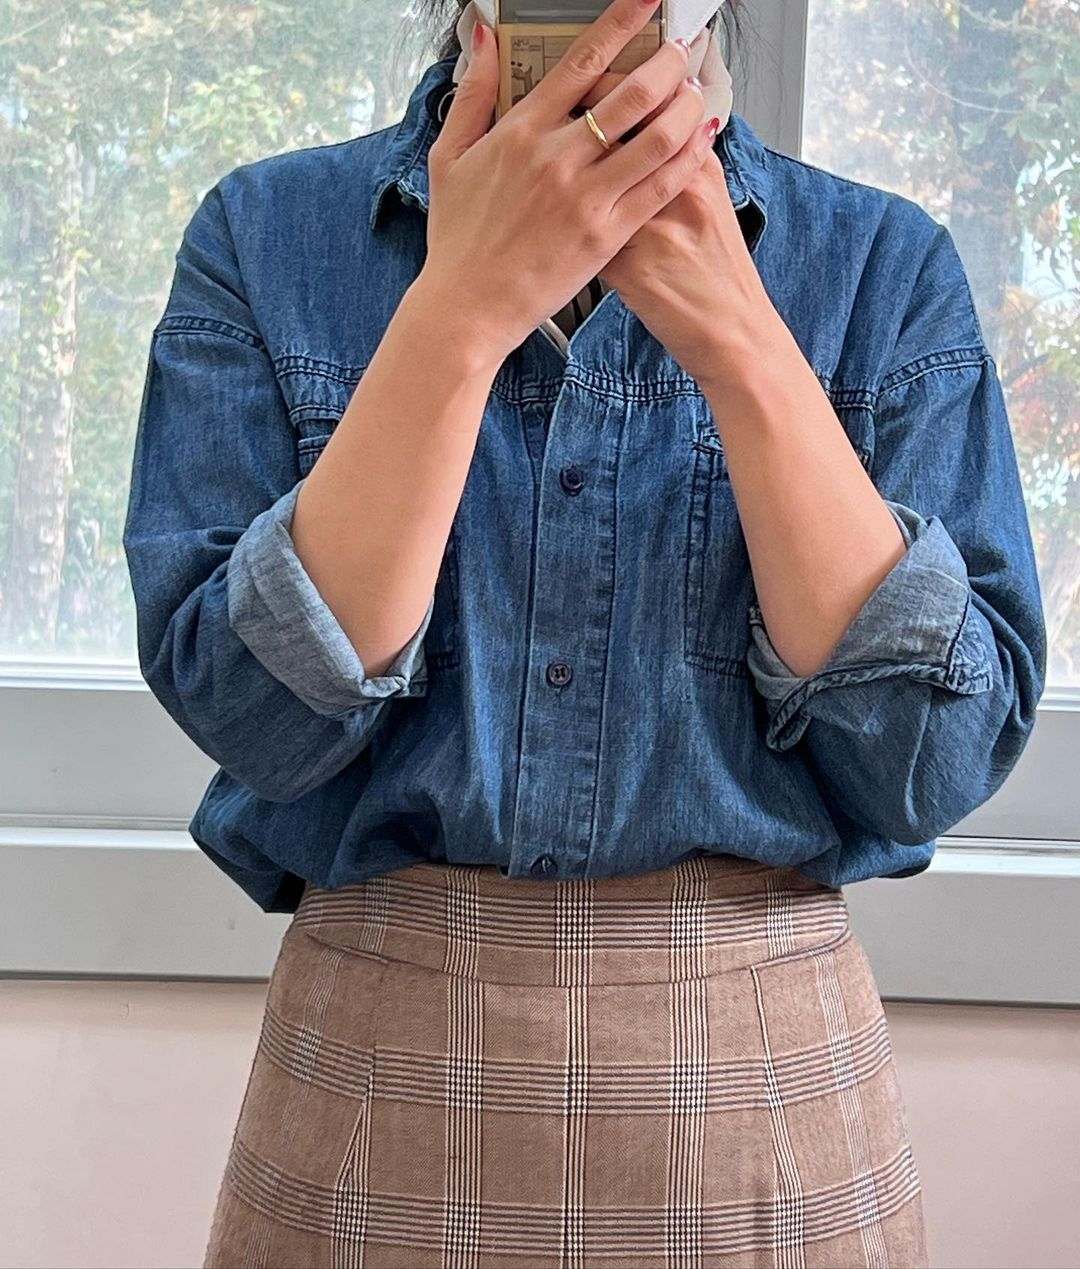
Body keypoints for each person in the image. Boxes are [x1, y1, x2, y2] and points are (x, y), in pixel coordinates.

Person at [122, 0, 1046, 1264]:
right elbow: (253, 720)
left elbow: (931, 764)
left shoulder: (881, 268)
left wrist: (740, 340)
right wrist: (458, 314)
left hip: (764, 1101)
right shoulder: (267, 237)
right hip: (369, 1086)